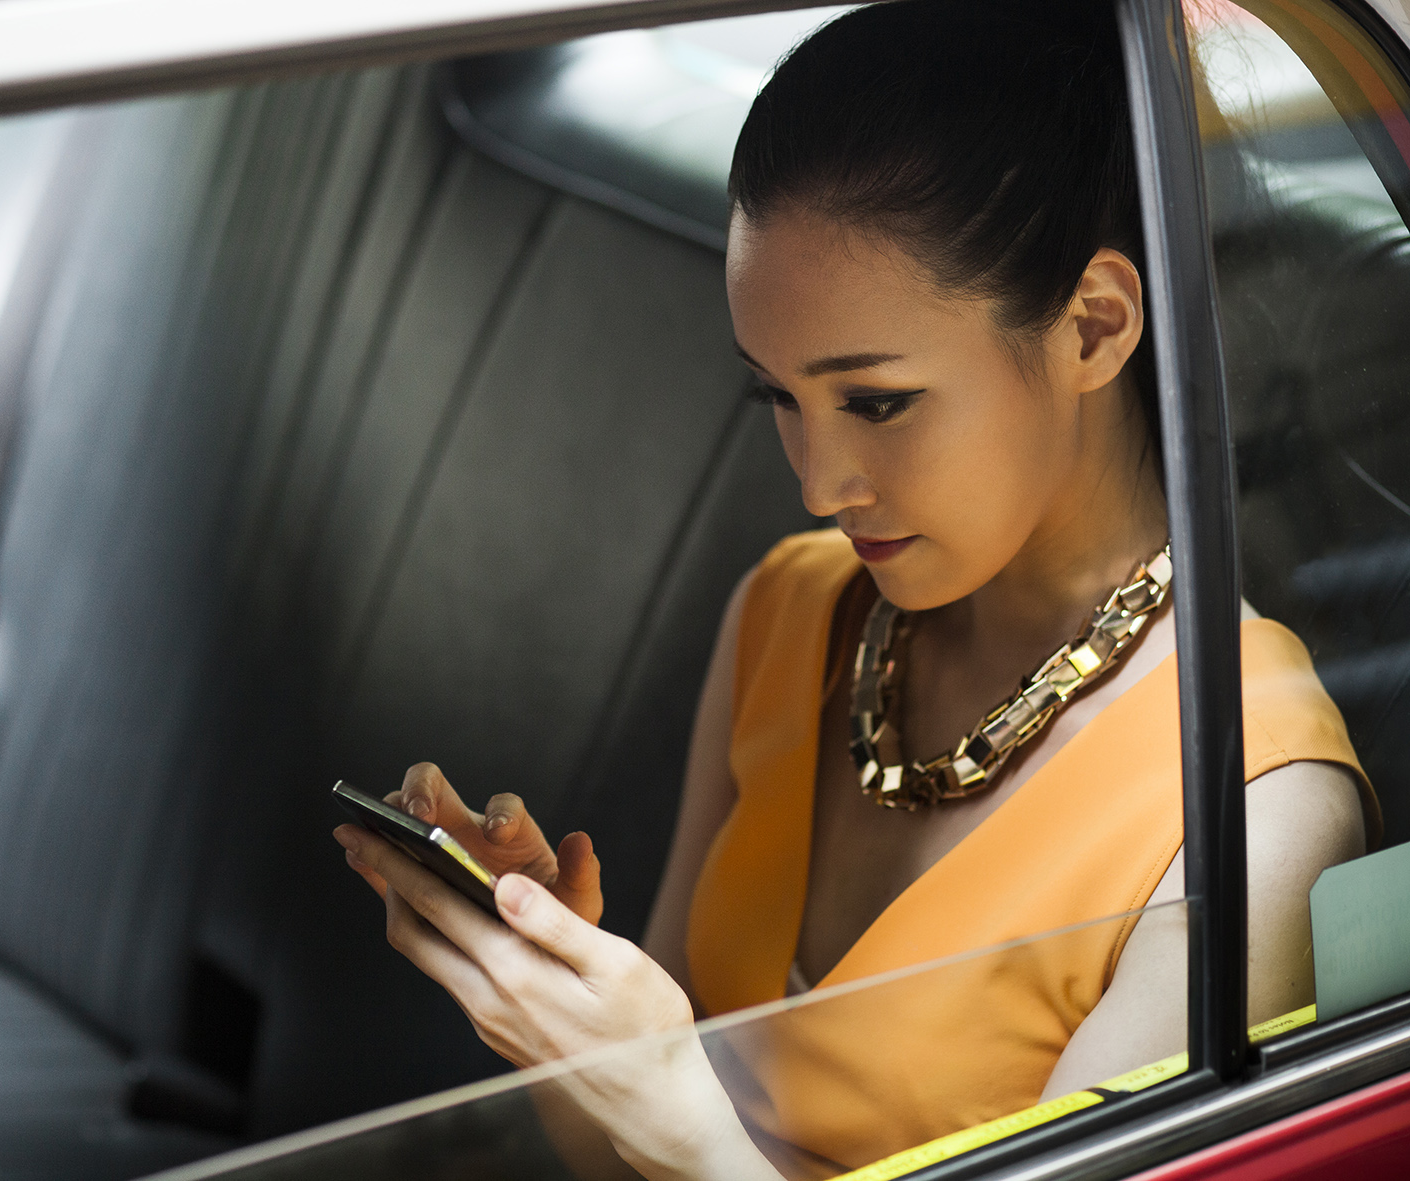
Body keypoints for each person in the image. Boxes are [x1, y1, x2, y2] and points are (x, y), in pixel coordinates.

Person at [332, 0, 1378, 1176]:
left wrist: (672, 1095)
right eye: (773, 398)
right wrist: (559, 1006)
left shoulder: (1251, 811)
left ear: (1092, 326)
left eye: (874, 401)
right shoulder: (788, 619)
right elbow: (626, 1161)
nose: (818, 484)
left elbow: (684, 1137)